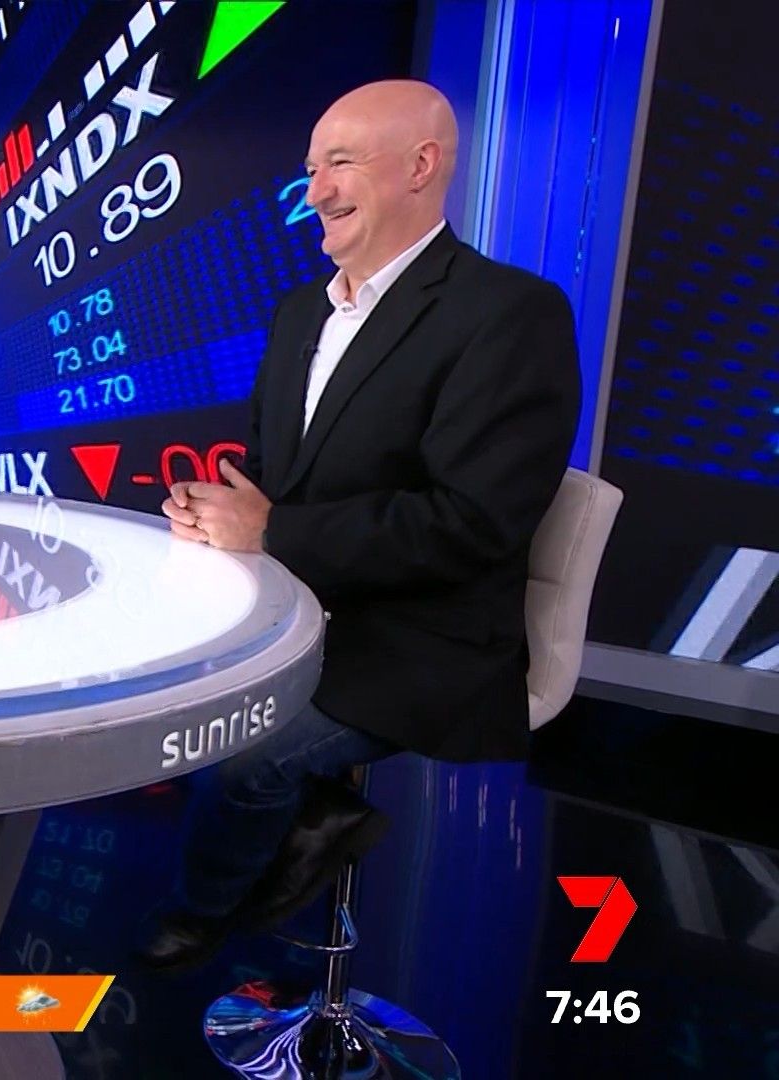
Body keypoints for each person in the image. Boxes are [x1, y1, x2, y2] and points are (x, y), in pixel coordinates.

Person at [135, 80, 581, 971]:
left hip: (427, 636)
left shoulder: (509, 314)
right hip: (303, 607)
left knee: (246, 749)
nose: (314, 192)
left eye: (339, 163)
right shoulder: (301, 311)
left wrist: (273, 531)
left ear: (421, 166)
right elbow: (274, 476)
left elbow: (472, 525)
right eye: (310, 170)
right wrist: (220, 510)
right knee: (169, 689)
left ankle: (206, 911)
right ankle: (314, 818)